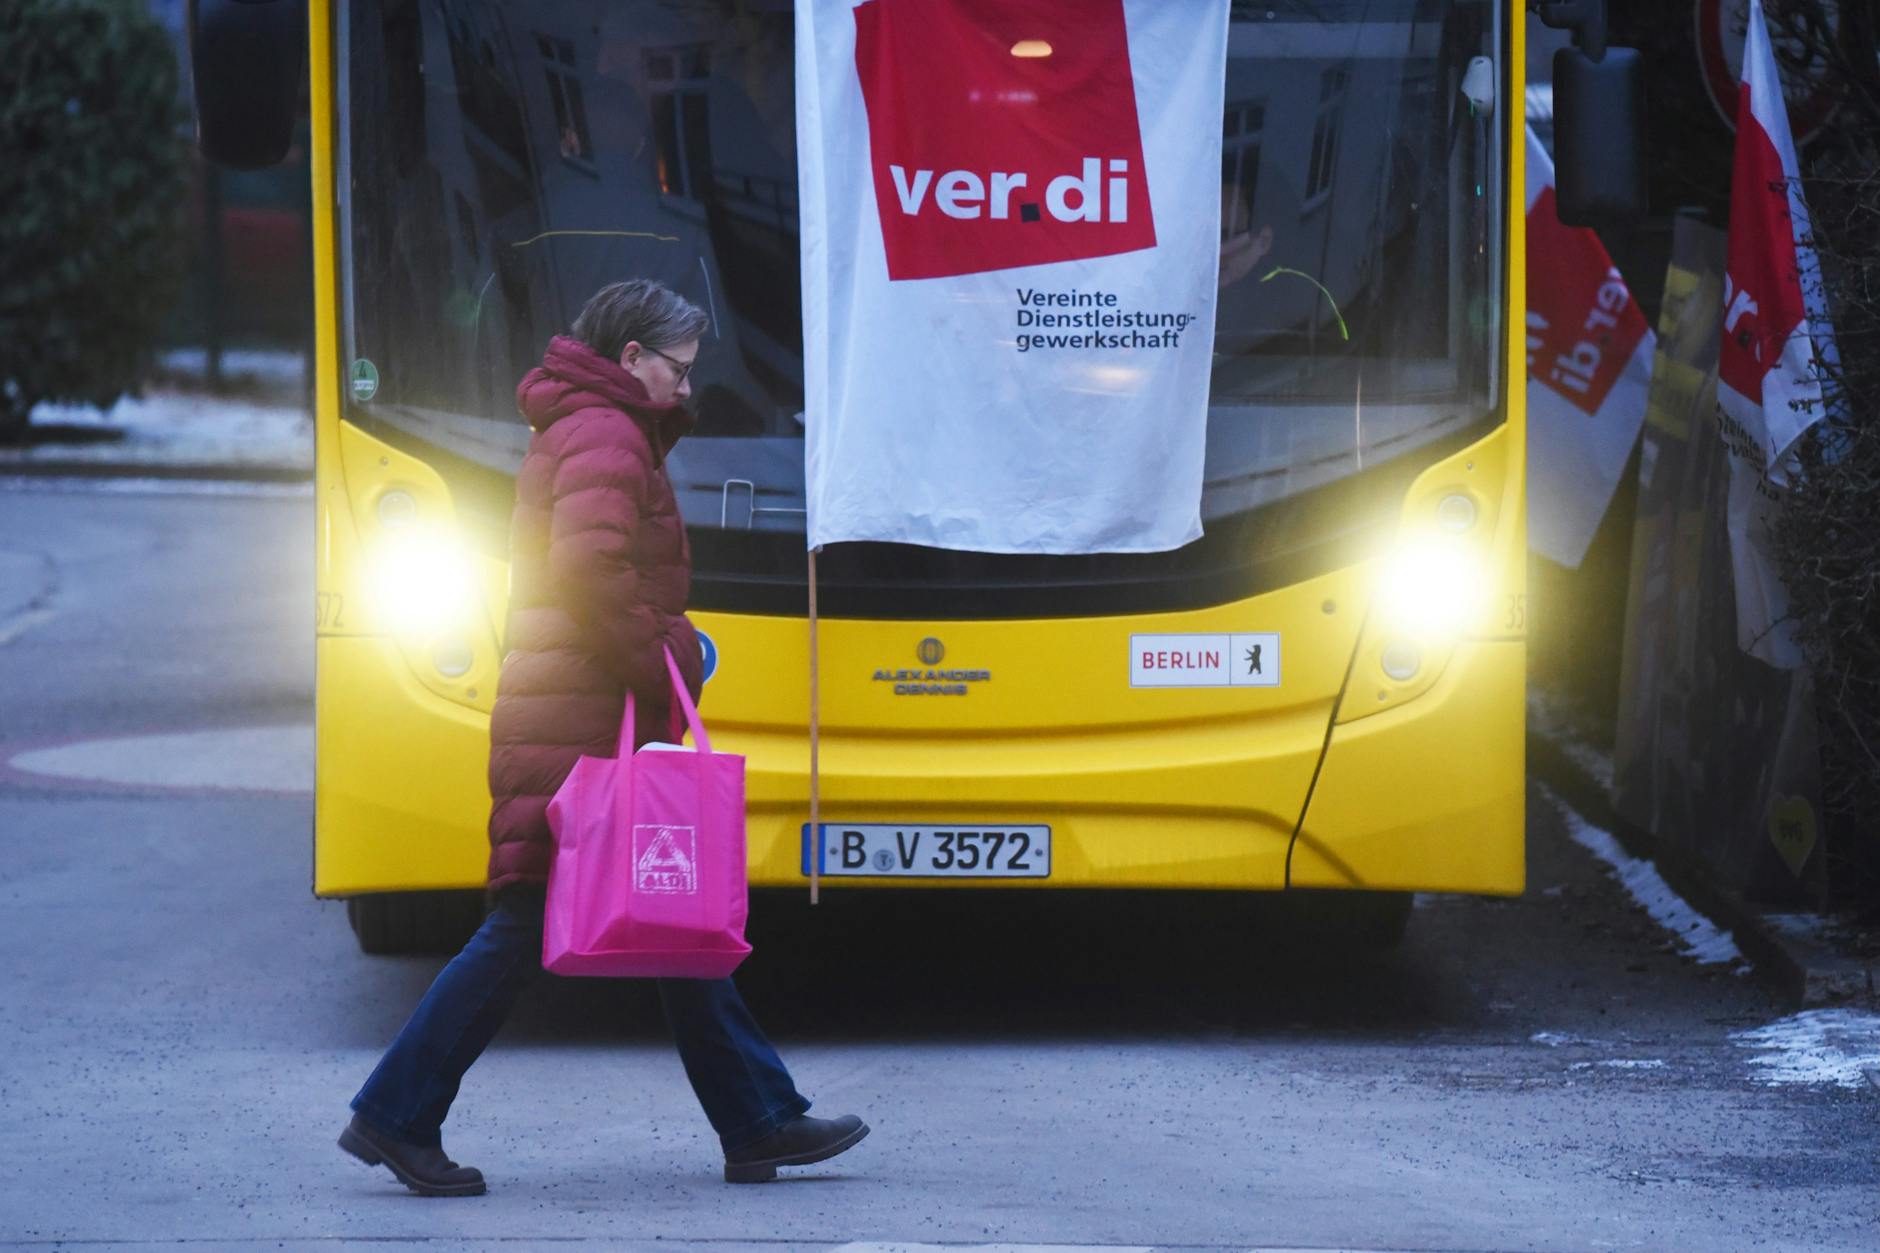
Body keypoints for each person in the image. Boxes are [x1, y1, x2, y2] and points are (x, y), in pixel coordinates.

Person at [338, 278, 869, 1196]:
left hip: (572, 705)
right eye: (678, 369)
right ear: (631, 357)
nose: (686, 388)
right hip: (579, 717)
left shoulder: (592, 424)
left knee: (673, 916)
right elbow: (589, 570)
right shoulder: (608, 431)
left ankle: (758, 1120)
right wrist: (677, 655)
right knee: (524, 925)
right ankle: (395, 1112)